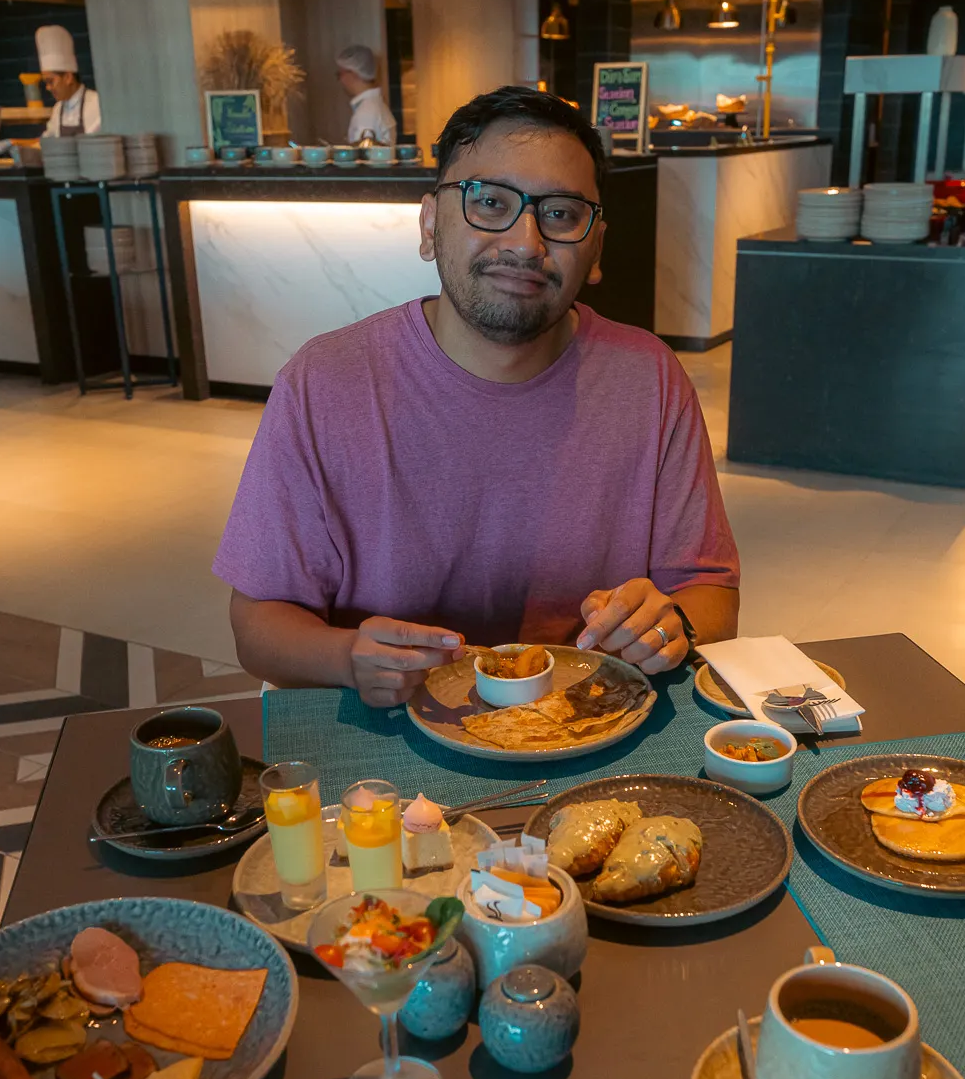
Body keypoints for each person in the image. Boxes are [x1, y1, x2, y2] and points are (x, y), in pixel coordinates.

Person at [215, 85, 739, 708]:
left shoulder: (648, 377)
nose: (525, 242)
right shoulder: (325, 383)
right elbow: (257, 626)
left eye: (562, 214)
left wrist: (668, 625)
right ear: (431, 225)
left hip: (590, 726)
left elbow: (710, 594)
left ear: (595, 250)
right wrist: (347, 657)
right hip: (389, 744)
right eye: (489, 202)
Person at [35, 24, 101, 137]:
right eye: (46, 83)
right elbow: (46, 141)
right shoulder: (58, 109)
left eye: (51, 81)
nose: (48, 88)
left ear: (68, 78)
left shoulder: (97, 103)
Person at [335, 43, 397, 146]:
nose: (341, 80)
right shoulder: (375, 106)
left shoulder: (366, 113)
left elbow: (363, 156)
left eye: (340, 74)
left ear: (352, 73)